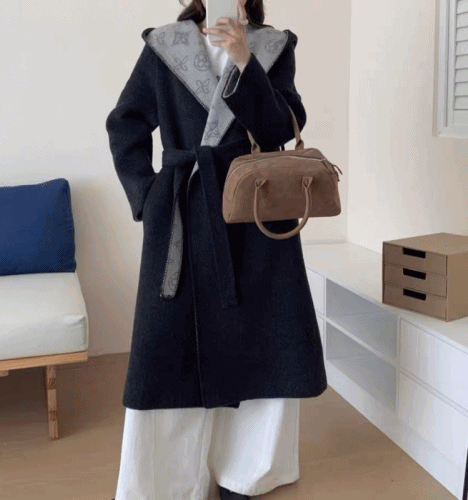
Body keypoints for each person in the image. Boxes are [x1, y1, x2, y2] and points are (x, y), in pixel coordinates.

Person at [105, 0, 327, 499]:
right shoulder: (165, 45)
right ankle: (165, 484)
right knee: (168, 355)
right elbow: (125, 124)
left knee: (263, 349)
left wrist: (246, 61)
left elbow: (280, 130)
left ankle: (246, 475)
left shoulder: (273, 46)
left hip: (257, 218)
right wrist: (149, 197)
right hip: (184, 215)